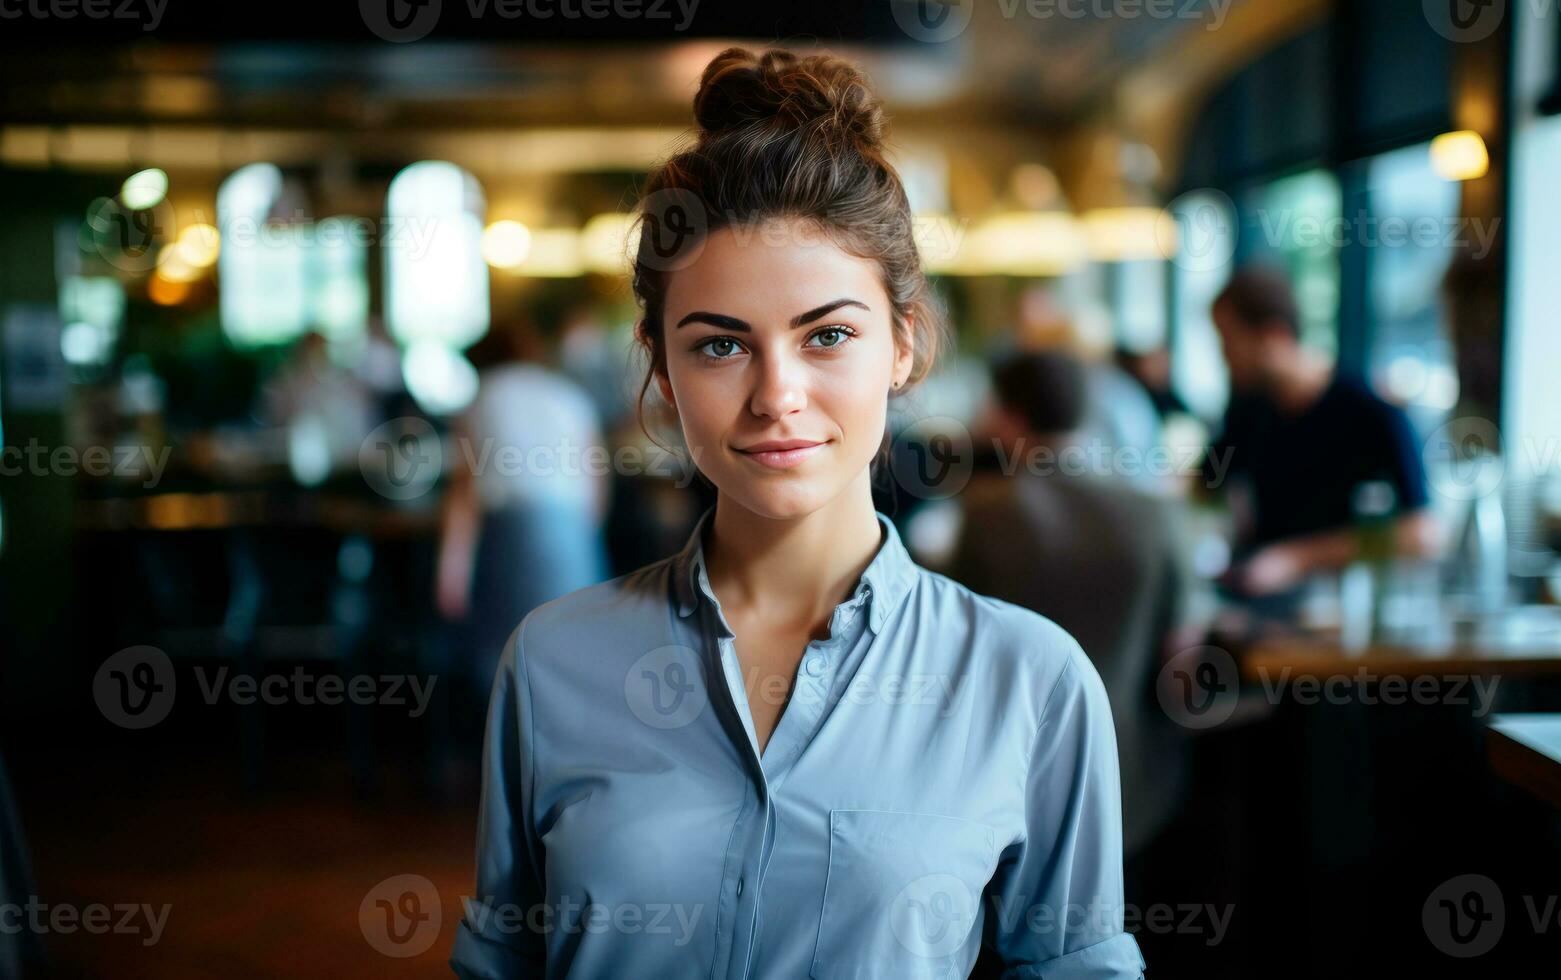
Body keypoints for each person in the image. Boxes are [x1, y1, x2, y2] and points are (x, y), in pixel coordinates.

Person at [451, 48, 1143, 979]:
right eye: (721, 346)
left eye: (827, 335)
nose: (777, 395)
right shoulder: (550, 662)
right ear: (661, 370)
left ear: (902, 345)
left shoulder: (1030, 681)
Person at [948, 351, 1195, 864]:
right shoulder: (1155, 512)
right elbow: (1182, 650)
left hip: (1009, 779)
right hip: (1131, 780)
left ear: (1010, 417)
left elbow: (953, 645)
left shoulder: (987, 512)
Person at [1201, 266, 1441, 600]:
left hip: (1343, 608)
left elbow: (1423, 535)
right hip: (1258, 604)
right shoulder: (1249, 410)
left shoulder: (1370, 413)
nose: (1224, 359)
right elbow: (1200, 485)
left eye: (1229, 344)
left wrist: (1297, 559)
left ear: (1274, 335)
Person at [436, 319, 611, 705]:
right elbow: (596, 495)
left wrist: (452, 571)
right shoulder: (570, 396)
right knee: (572, 665)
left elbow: (464, 497)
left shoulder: (480, 400)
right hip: (573, 541)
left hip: (509, 540)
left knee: (501, 663)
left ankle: (503, 756)